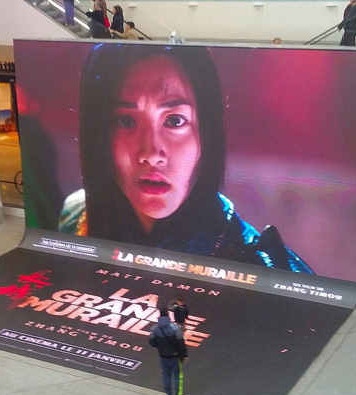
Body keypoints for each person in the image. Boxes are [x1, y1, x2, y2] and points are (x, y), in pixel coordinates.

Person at [57, 44, 314, 273]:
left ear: (207, 131)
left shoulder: (263, 268)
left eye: (175, 121)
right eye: (125, 121)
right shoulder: (77, 215)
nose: (151, 155)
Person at [149, 307, 189, 395]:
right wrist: (184, 355)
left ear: (159, 315)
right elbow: (181, 343)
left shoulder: (154, 329)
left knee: (166, 376)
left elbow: (152, 343)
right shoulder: (175, 328)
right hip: (175, 357)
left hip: (163, 357)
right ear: (168, 315)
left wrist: (161, 346)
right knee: (178, 377)